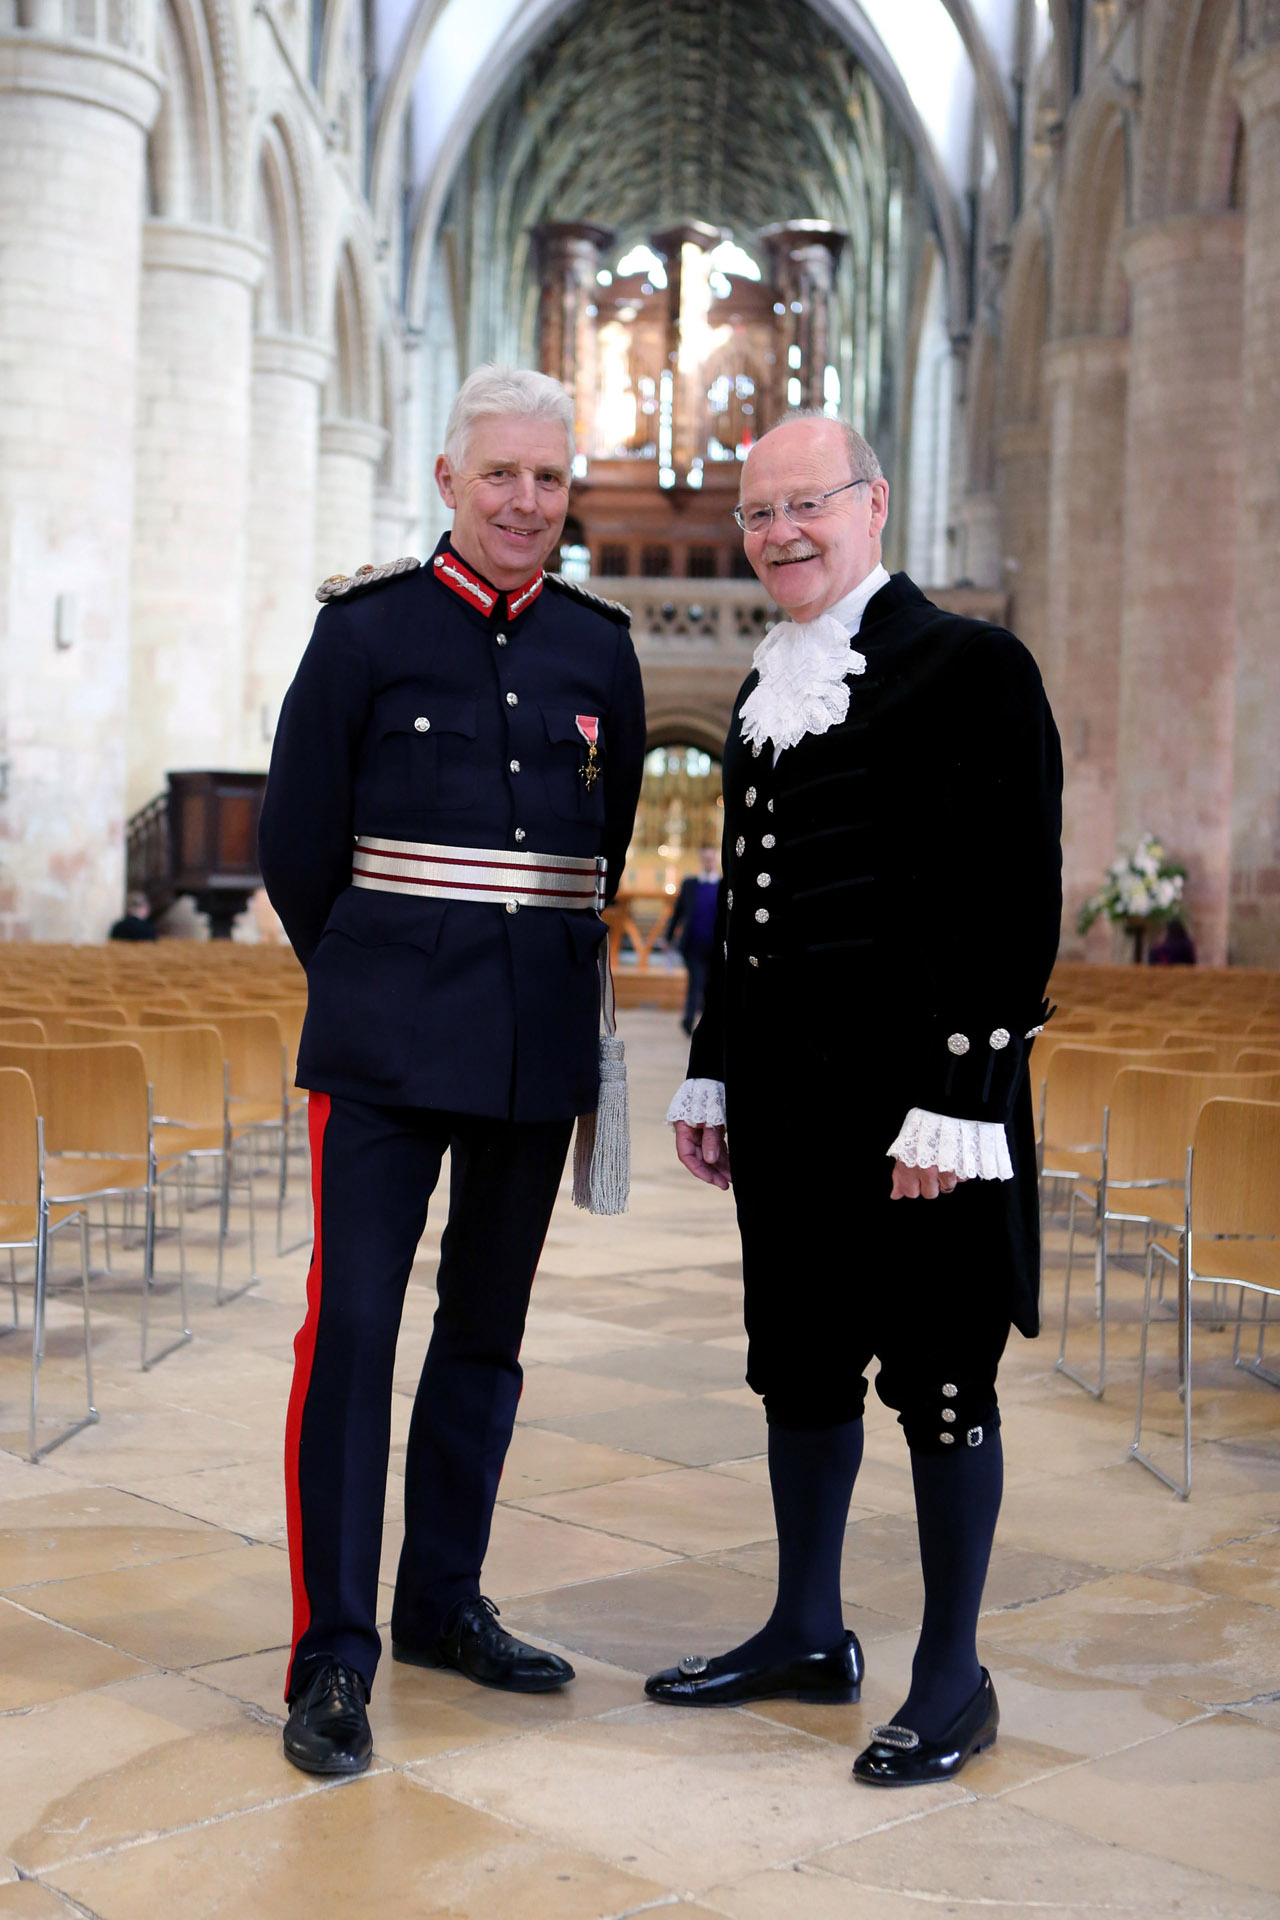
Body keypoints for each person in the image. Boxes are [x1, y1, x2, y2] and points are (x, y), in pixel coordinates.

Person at [647, 411, 1061, 1789]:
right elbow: (749, 913)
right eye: (758, 514)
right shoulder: (769, 689)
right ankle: (808, 1628)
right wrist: (714, 1058)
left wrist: (962, 1099)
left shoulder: (972, 665)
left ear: (874, 504)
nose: (779, 534)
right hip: (786, 1107)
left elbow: (1011, 902)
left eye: (805, 505)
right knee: (802, 1365)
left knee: (941, 1382)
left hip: (917, 1120)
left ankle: (955, 1674)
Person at [258, 365, 646, 1777]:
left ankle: (439, 1605)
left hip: (531, 1047)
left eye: (549, 480)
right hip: (379, 1046)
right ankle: (333, 1657)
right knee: (352, 1334)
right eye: (501, 477)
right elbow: (298, 849)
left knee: (484, 1337)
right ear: (447, 480)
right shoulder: (362, 634)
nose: (526, 503)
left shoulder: (600, 652)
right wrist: (371, 977)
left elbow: (595, 855)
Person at [662, 845, 723, 1033]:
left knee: (710, 984)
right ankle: (689, 1020)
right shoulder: (690, 884)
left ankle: (707, 1022)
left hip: (715, 945)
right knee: (695, 981)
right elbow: (678, 913)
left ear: (716, 860)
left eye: (711, 858)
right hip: (694, 944)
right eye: (705, 858)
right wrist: (668, 937)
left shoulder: (723, 885)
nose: (708, 862)